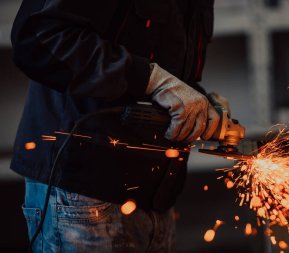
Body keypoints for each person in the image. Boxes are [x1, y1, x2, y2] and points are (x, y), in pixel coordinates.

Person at [10, 0, 228, 252]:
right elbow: (39, 38)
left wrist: (197, 100)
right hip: (85, 197)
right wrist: (152, 80)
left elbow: (160, 56)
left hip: (153, 195)